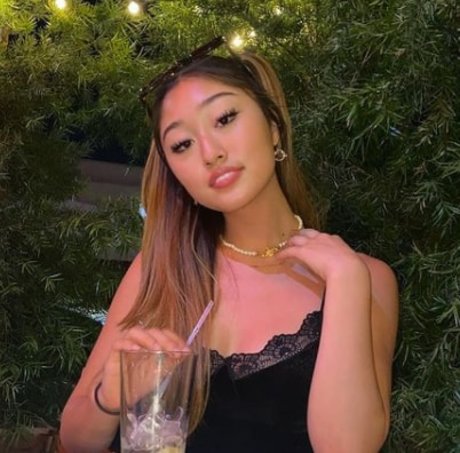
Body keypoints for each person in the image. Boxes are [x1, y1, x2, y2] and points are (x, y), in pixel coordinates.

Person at [60, 36, 399, 453]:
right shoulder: (160, 269)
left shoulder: (362, 277)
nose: (210, 152)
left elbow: (347, 447)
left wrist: (346, 281)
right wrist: (109, 395)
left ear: (273, 127)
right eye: (182, 145)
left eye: (224, 118)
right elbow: (75, 440)